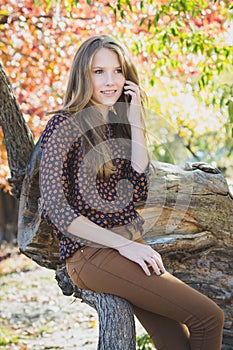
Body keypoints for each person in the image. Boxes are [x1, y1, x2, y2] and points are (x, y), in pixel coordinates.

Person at [39, 35, 224, 350]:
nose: (110, 81)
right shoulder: (62, 128)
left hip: (127, 247)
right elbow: (58, 210)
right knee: (209, 318)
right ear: (82, 75)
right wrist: (124, 247)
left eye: (117, 71)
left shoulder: (113, 126)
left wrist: (135, 117)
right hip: (91, 254)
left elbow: (138, 185)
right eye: (99, 72)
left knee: (174, 341)